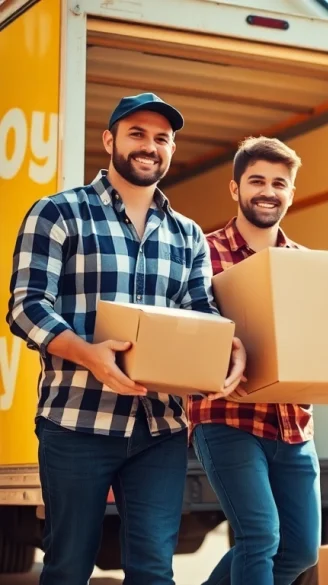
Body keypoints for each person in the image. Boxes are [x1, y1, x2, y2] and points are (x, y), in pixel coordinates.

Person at [6, 92, 246, 585]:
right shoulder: (59, 213)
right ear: (110, 139)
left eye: (162, 138)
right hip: (76, 422)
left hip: (159, 428)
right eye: (137, 134)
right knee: (68, 566)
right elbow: (26, 307)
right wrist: (88, 354)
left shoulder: (187, 235)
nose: (150, 146)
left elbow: (200, 313)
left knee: (154, 570)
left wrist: (228, 346)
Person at [187, 136, 321, 584]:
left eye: (279, 183)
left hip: (293, 423)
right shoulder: (201, 254)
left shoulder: (305, 263)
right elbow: (187, 330)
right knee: (260, 537)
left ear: (291, 193)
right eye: (257, 181)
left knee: (301, 549)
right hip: (227, 418)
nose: (268, 191)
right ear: (235, 188)